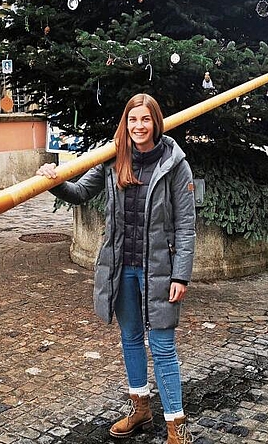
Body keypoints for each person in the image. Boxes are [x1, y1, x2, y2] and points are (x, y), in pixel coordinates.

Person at [36, 93, 196, 444]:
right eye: (132, 120)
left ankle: (176, 427)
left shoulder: (175, 163)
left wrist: (181, 274)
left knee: (163, 345)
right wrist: (54, 180)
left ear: (156, 123)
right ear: (125, 123)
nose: (139, 127)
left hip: (160, 271)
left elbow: (186, 225)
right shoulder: (112, 159)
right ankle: (140, 406)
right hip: (121, 268)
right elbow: (79, 193)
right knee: (130, 338)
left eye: (145, 120)